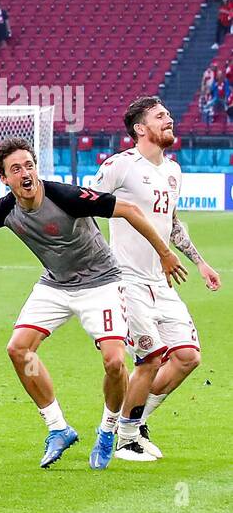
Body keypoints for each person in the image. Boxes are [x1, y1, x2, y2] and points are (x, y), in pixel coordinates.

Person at [0, 137, 184, 470]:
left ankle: (108, 431)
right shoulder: (4, 209)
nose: (25, 173)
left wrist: (165, 253)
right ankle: (58, 428)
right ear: (4, 178)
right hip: (55, 284)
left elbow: (129, 210)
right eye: (16, 169)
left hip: (102, 283)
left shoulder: (66, 196)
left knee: (113, 362)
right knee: (18, 349)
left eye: (29, 165)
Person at [93, 97, 220, 461]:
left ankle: (135, 421)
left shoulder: (173, 171)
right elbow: (86, 208)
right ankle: (127, 439)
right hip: (126, 280)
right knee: (150, 358)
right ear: (140, 128)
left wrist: (199, 262)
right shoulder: (120, 166)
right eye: (161, 116)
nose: (170, 120)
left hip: (161, 281)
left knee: (187, 357)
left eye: (168, 114)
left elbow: (173, 223)